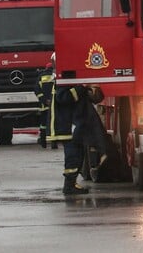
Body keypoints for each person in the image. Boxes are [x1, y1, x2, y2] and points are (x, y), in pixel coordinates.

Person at [40, 64, 107, 197]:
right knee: (73, 155)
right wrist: (81, 88)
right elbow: (63, 98)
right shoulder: (63, 83)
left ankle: (72, 183)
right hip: (66, 125)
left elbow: (94, 98)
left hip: (73, 125)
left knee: (78, 153)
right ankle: (69, 185)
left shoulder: (70, 82)